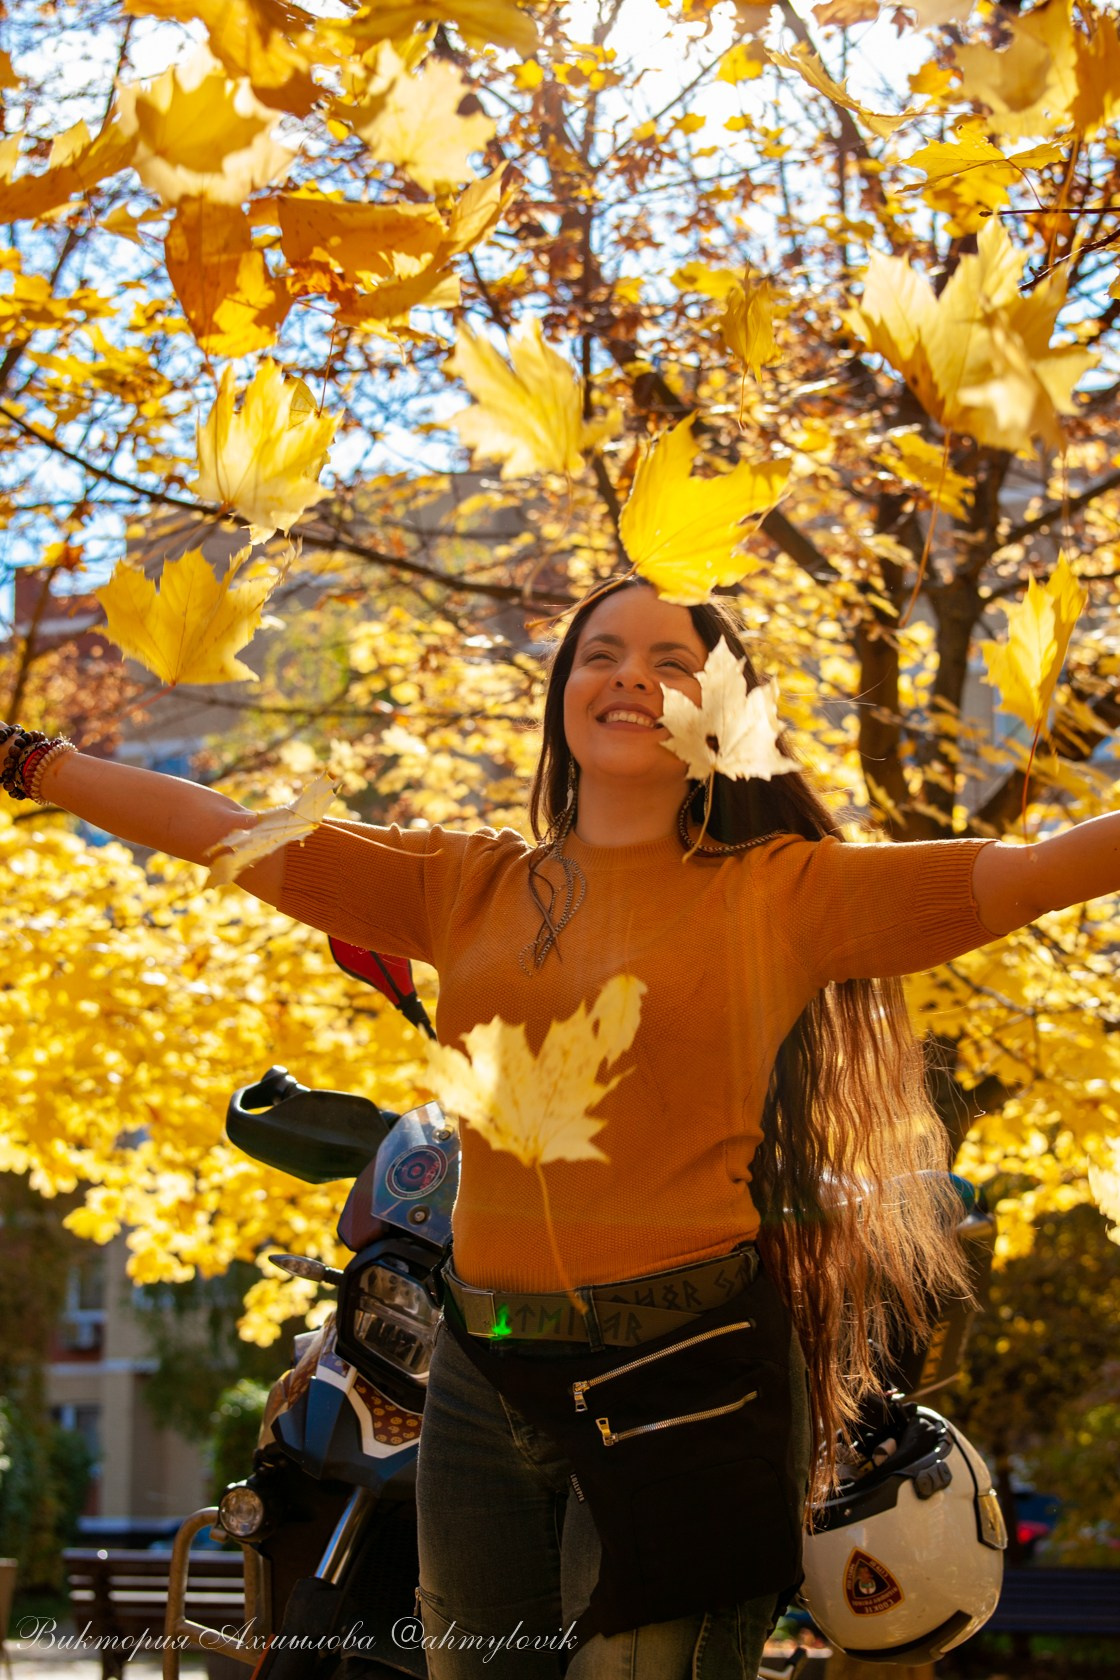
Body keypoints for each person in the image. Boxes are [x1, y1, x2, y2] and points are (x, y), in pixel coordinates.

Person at [3, 575, 1118, 1680]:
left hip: (691, 1374)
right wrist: (31, 760)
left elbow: (1030, 872)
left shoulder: (785, 892)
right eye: (602, 653)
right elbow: (226, 828)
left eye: (673, 661)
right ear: (563, 695)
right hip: (481, 1375)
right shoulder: (466, 883)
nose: (631, 674)